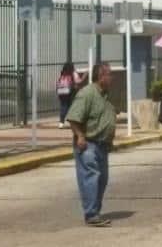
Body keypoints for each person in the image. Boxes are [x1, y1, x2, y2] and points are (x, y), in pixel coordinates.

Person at [66, 63, 117, 227]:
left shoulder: (107, 95)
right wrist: (80, 136)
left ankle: (95, 211)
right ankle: (91, 214)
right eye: (109, 74)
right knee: (91, 177)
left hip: (103, 145)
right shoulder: (87, 94)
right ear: (100, 76)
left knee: (102, 179)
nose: (112, 78)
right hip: (88, 143)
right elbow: (73, 117)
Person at [56, 63, 77, 128]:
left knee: (63, 106)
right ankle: (71, 121)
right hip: (69, 92)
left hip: (61, 92)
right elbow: (77, 81)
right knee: (71, 107)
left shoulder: (62, 74)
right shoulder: (72, 74)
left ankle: (61, 122)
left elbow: (58, 82)